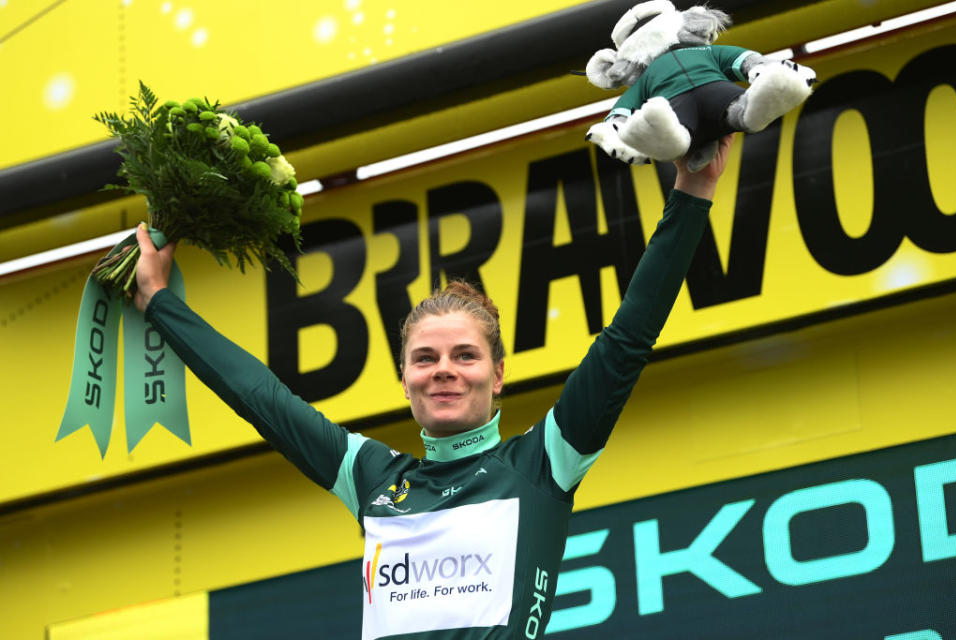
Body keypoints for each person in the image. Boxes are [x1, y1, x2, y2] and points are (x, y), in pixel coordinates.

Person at [134, 134, 734, 639]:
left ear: (497, 374)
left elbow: (626, 340)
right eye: (425, 358)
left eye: (464, 355)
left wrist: (693, 192)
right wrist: (160, 301)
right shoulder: (373, 478)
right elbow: (261, 398)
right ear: (404, 380)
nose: (443, 369)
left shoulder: (543, 462)